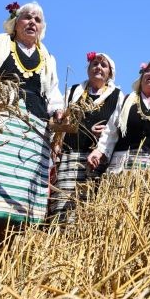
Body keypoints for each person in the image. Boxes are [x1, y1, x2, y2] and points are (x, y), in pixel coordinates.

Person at [0, 1, 63, 249]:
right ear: (15, 23)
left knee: (15, 192)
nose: (32, 22)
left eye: (37, 20)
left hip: (32, 131)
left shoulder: (47, 57)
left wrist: (59, 111)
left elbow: (52, 92)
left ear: (42, 27)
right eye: (27, 17)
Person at [48, 52, 124, 220]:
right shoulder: (73, 91)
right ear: (88, 69)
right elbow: (58, 119)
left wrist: (105, 132)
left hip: (96, 160)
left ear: (110, 73)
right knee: (63, 207)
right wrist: (57, 140)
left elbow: (119, 127)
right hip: (70, 157)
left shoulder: (118, 96)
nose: (98, 67)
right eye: (94, 64)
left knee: (88, 210)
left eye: (103, 65)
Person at [92, 61, 150, 173]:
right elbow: (110, 132)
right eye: (148, 71)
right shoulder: (125, 102)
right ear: (141, 79)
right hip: (123, 171)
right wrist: (99, 151)